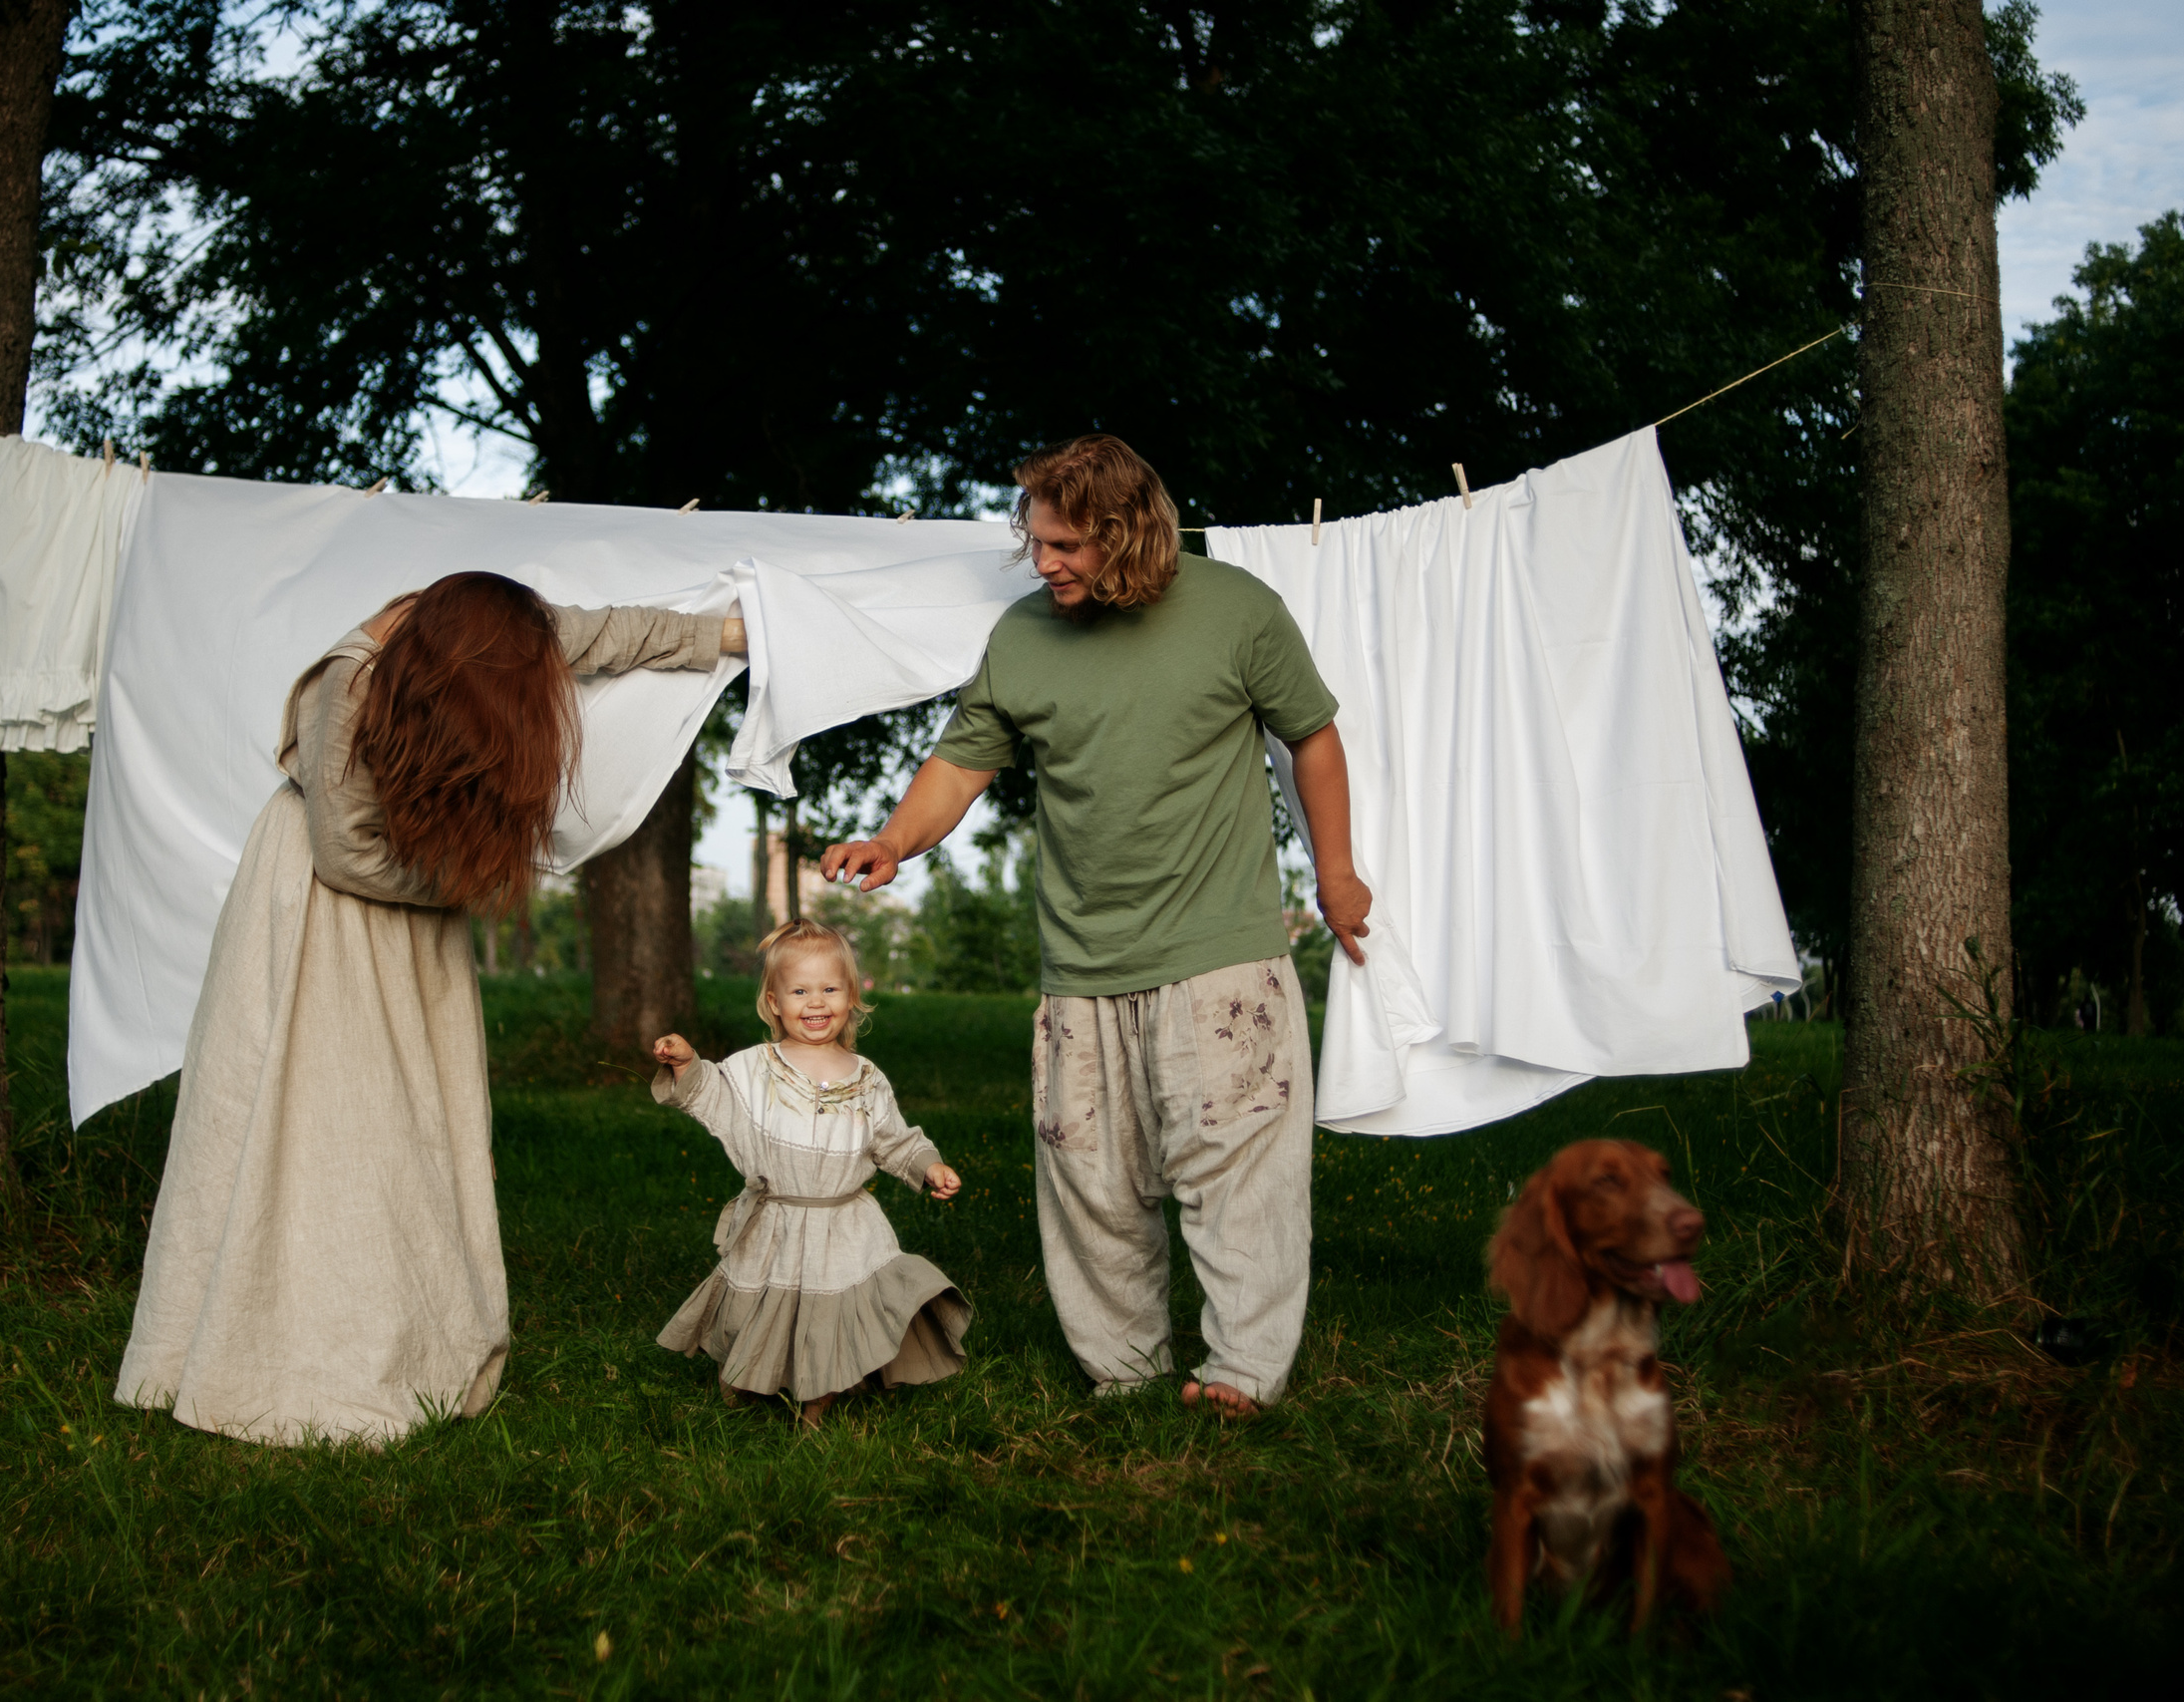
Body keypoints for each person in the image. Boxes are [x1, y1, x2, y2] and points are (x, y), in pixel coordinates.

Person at [116, 571, 742, 1446]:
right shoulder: (355, 678)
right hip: (322, 912)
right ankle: (289, 1348)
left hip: (410, 908)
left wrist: (728, 638)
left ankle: (414, 1328)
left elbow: (607, 633)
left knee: (413, 1124)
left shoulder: (494, 632)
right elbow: (342, 852)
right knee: (323, 1123)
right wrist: (472, 876)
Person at [821, 435, 1371, 1419]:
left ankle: (1242, 1378)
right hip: (1079, 965)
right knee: (1092, 1182)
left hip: (1221, 956)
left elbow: (1312, 737)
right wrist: (894, 841)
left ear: (1131, 534)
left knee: (1238, 1176)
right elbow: (961, 763)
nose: (1044, 563)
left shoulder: (1238, 612)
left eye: (1067, 545)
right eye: (1036, 542)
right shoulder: (1024, 637)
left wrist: (1336, 875)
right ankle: (1124, 1374)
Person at [649, 919, 970, 1426]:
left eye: (829, 989)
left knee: (828, 1314)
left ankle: (817, 1403)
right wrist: (688, 1064)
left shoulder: (866, 1078)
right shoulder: (756, 1068)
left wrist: (928, 1166)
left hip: (842, 1224)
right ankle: (742, 1379)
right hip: (776, 1219)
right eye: (799, 991)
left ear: (851, 996)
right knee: (756, 1306)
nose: (815, 1003)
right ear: (775, 1002)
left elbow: (893, 1138)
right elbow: (713, 1095)